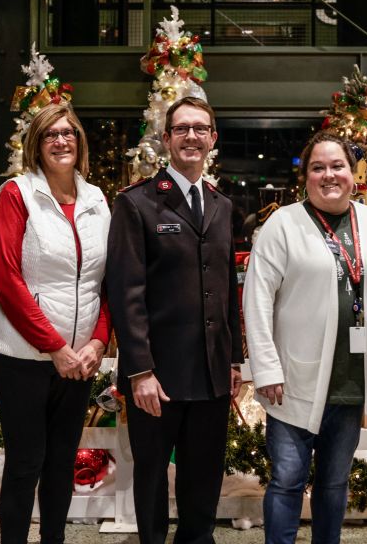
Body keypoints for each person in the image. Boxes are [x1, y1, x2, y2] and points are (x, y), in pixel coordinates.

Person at [244, 132, 367, 544]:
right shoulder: (283, 224)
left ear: (353, 173)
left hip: (350, 378)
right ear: (305, 176)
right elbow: (256, 299)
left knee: (334, 482)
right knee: (288, 480)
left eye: (337, 166)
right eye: (318, 167)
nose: (329, 175)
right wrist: (265, 367)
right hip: (293, 380)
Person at [105, 96, 243, 544]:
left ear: (212, 140)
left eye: (200, 129)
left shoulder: (222, 207)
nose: (191, 136)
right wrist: (139, 370)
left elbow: (228, 291)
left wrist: (235, 359)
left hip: (211, 372)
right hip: (156, 375)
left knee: (203, 478)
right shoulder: (137, 205)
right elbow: (126, 293)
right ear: (166, 139)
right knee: (150, 476)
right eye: (181, 129)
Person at [0, 103, 111, 544]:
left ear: (80, 142)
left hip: (79, 360)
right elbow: (6, 278)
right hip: (22, 355)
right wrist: (55, 347)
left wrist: (97, 342)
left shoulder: (96, 199)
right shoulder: (17, 193)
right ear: (36, 145)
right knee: (26, 462)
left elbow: (104, 281)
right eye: (51, 134)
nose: (61, 141)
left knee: (61, 462)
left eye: (69, 133)